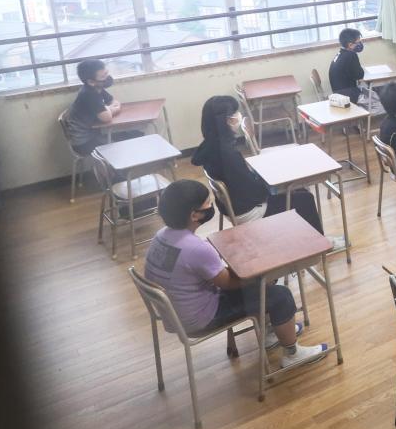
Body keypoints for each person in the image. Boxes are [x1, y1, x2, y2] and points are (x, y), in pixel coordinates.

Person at [143, 179, 327, 368]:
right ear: (194, 215)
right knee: (279, 294)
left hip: (176, 314)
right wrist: (260, 269)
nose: (211, 206)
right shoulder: (195, 248)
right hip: (202, 318)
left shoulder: (162, 236)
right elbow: (227, 283)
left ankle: (271, 334)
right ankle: (292, 353)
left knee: (263, 283)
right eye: (208, 204)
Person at [191, 95, 324, 231]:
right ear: (227, 120)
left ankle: (300, 236)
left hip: (231, 208)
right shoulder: (227, 154)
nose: (238, 116)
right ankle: (322, 244)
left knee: (298, 190)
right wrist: (272, 183)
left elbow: (242, 182)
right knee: (305, 198)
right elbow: (253, 192)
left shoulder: (210, 145)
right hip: (248, 212)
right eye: (235, 113)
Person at [63, 59, 140, 155]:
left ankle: (127, 168)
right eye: (103, 76)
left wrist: (108, 109)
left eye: (106, 73)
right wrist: (110, 109)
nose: (107, 77)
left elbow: (114, 101)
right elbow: (106, 118)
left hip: (94, 134)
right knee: (122, 148)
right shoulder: (88, 94)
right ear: (91, 81)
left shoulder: (97, 88)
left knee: (136, 134)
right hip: (84, 142)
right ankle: (120, 169)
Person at [328, 28, 366, 102]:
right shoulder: (351, 55)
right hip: (347, 96)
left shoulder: (341, 53)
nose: (360, 44)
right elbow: (360, 75)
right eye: (358, 42)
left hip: (338, 93)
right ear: (350, 45)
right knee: (377, 103)